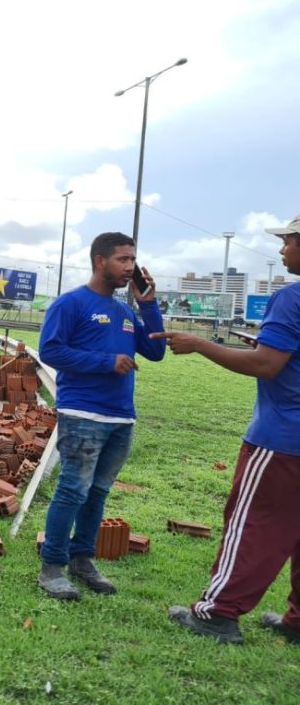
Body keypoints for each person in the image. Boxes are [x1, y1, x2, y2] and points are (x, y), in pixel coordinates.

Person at [154, 214, 300, 645]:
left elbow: (267, 364)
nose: (281, 250)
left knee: (255, 525)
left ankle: (218, 613)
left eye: (288, 241)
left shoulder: (292, 299)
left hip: (283, 442)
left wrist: (200, 344)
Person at [37, 232, 167, 599]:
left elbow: (156, 353)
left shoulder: (126, 311)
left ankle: (82, 560)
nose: (130, 267)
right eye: (123, 260)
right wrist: (106, 362)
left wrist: (149, 305)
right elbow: (51, 351)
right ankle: (52, 567)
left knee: (97, 493)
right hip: (82, 413)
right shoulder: (71, 304)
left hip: (121, 418)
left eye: (132, 260)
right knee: (72, 490)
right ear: (100, 261)